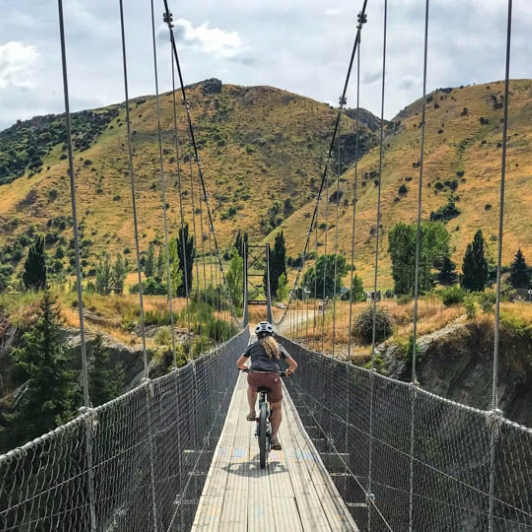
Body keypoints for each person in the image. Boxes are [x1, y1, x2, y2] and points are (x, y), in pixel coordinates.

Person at [236, 321, 298, 451]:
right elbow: (293, 365)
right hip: (273, 378)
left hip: (255, 376)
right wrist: (288, 372)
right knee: (277, 407)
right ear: (272, 334)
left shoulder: (253, 346)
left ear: (257, 335)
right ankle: (274, 438)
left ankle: (252, 412)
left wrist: (245, 368)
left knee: (252, 387)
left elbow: (239, 363)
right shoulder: (278, 346)